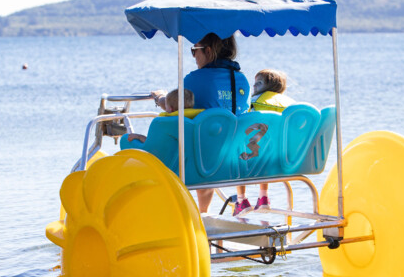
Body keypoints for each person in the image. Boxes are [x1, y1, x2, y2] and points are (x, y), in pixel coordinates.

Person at [154, 33, 250, 213]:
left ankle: (194, 214)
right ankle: (203, 213)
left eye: (194, 51)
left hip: (203, 161)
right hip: (236, 158)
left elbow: (175, 106)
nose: (194, 57)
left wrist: (160, 98)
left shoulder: (194, 79)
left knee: (197, 145)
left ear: (207, 50)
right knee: (210, 139)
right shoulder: (242, 79)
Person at [233, 69, 294, 215]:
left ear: (272, 86)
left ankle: (241, 200)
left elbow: (243, 125)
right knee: (265, 152)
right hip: (282, 156)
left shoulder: (254, 103)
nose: (254, 87)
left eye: (258, 83)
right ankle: (263, 197)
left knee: (237, 155)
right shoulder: (291, 105)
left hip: (254, 156)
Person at [126, 88, 195, 144]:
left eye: (166, 105)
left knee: (125, 139)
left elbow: (152, 144)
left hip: (163, 159)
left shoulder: (163, 123)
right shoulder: (195, 120)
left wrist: (139, 137)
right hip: (184, 159)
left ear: (170, 109)